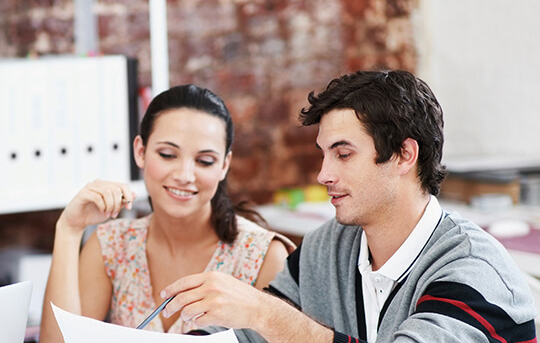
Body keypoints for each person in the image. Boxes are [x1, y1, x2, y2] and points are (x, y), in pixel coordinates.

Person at [158, 70, 537, 342]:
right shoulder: (328, 246)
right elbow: (243, 336)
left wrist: (265, 313)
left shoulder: (472, 272)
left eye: (343, 154)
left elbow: (269, 321)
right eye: (324, 155)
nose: (324, 174)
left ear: (404, 155)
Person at [39, 84, 295, 342]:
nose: (184, 175)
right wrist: (68, 230)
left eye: (205, 161)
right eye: (167, 154)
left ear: (224, 165)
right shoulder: (112, 245)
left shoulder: (263, 255)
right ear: (141, 151)